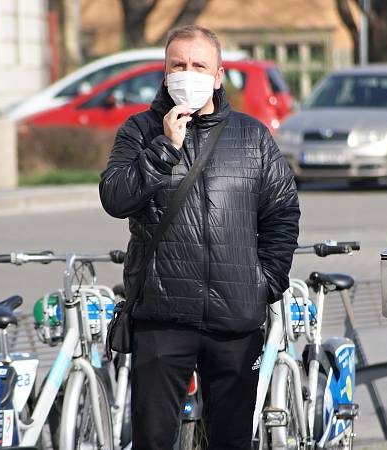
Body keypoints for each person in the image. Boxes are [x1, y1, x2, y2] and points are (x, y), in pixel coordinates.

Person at [99, 25, 300, 449]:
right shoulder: (139, 131)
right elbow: (115, 198)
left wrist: (265, 282)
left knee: (230, 439)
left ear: (218, 75)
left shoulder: (252, 136)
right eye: (178, 65)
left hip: (235, 318)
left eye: (198, 65)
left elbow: (282, 212)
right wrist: (164, 149)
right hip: (162, 315)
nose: (187, 73)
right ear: (165, 72)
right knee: (152, 439)